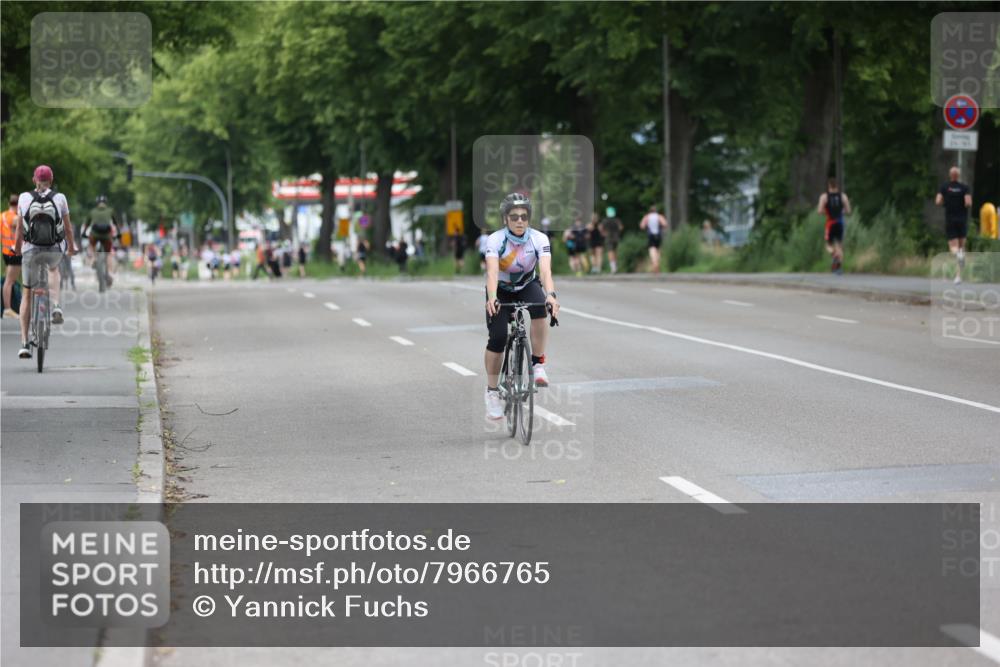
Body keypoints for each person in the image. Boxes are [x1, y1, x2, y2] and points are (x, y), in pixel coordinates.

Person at [483, 193, 560, 420]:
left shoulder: (539, 239)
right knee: (497, 338)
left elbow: (545, 272)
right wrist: (492, 297)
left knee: (540, 308)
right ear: (505, 219)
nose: (519, 221)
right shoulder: (495, 240)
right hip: (500, 288)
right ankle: (492, 391)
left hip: (527, 284)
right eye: (514, 217)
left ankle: (537, 363)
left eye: (524, 217)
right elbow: (492, 272)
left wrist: (551, 295)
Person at [13, 165, 76, 359]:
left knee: (27, 293)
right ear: (52, 180)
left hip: (30, 251)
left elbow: (19, 230)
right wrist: (72, 248)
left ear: (34, 180)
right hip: (53, 249)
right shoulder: (60, 198)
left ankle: (24, 343)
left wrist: (17, 249)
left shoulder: (24, 198)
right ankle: (56, 305)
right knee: (54, 269)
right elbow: (67, 228)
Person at [935, 166, 972, 284]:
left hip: (950, 219)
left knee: (953, 247)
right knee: (962, 248)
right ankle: (958, 276)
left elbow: (938, 201)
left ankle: (956, 255)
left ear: (950, 175)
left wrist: (946, 201)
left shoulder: (945, 187)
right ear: (959, 176)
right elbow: (968, 203)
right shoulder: (965, 188)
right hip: (962, 220)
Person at [816, 178, 852, 275]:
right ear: (837, 186)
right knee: (839, 245)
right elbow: (848, 211)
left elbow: (819, 211)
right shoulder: (843, 196)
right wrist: (841, 211)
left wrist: (826, 212)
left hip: (830, 223)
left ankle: (834, 255)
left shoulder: (824, 197)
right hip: (840, 222)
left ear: (828, 186)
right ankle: (838, 268)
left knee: (828, 245)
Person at [82, 195, 119, 287]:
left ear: (97, 203)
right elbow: (115, 223)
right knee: (109, 253)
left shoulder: (92, 212)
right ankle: (110, 273)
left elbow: (87, 224)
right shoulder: (110, 211)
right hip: (107, 235)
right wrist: (119, 233)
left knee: (92, 245)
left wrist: (83, 233)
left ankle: (94, 258)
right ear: (105, 203)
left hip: (95, 235)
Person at [2, 194, 22, 317]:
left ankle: (8, 307)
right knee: (10, 281)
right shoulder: (15, 218)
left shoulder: (2, 216)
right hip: (14, 252)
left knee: (8, 280)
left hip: (5, 251)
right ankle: (8, 309)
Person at [639, 205, 666, 273]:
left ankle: (654, 263)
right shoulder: (659, 216)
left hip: (651, 235)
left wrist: (647, 227)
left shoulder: (647, 216)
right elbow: (665, 224)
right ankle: (657, 263)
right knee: (658, 250)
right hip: (658, 235)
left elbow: (642, 226)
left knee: (652, 250)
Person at [600, 207, 624, 274]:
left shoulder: (605, 220)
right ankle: (615, 266)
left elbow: (601, 228)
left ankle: (613, 268)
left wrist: (604, 234)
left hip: (609, 238)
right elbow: (621, 227)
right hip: (616, 237)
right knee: (615, 252)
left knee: (610, 252)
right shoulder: (617, 220)